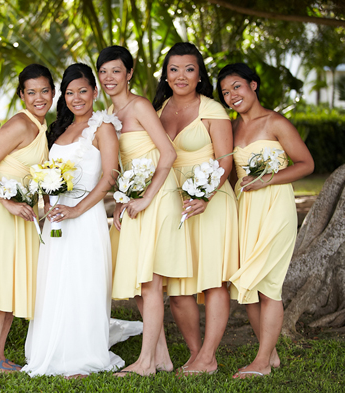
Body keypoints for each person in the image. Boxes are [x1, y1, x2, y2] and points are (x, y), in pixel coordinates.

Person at [22, 63, 124, 377]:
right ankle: (54, 346)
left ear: (95, 92)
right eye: (69, 92)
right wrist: (49, 202)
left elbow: (110, 176)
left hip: (86, 217)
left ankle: (84, 355)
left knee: (84, 282)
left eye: (83, 91)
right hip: (56, 219)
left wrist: (77, 210)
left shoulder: (102, 127)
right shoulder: (59, 130)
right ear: (62, 97)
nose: (76, 98)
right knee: (57, 282)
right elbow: (46, 175)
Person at [96, 45, 192, 376]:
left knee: (150, 281)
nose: (109, 78)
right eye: (104, 71)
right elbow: (124, 165)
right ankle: (161, 356)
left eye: (116, 71)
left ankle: (146, 362)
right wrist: (123, 201)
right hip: (135, 200)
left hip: (158, 197)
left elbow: (167, 154)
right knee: (140, 282)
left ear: (130, 73)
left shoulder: (139, 106)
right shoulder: (109, 112)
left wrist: (148, 197)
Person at [217, 63, 314, 378]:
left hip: (275, 207)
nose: (232, 95)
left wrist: (268, 179)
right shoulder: (232, 129)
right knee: (249, 285)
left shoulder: (275, 122)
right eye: (225, 92)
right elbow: (230, 173)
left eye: (237, 87)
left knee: (269, 285)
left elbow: (306, 164)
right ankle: (268, 355)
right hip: (246, 211)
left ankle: (261, 364)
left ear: (253, 85)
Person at [153, 42, 239, 376]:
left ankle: (209, 355)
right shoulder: (159, 109)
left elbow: (225, 162)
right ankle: (195, 353)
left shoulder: (213, 110)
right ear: (166, 74)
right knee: (178, 283)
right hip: (174, 203)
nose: (181, 76)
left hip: (211, 202)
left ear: (199, 74)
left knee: (213, 280)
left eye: (189, 69)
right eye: (174, 69)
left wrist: (205, 195)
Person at [0, 64, 53, 373]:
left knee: (9, 284)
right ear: (22, 95)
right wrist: (9, 203)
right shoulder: (20, 124)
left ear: (53, 93)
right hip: (2, 214)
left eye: (44, 90)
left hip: (22, 215)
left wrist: (43, 201)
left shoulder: (41, 126)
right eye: (31, 92)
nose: (38, 97)